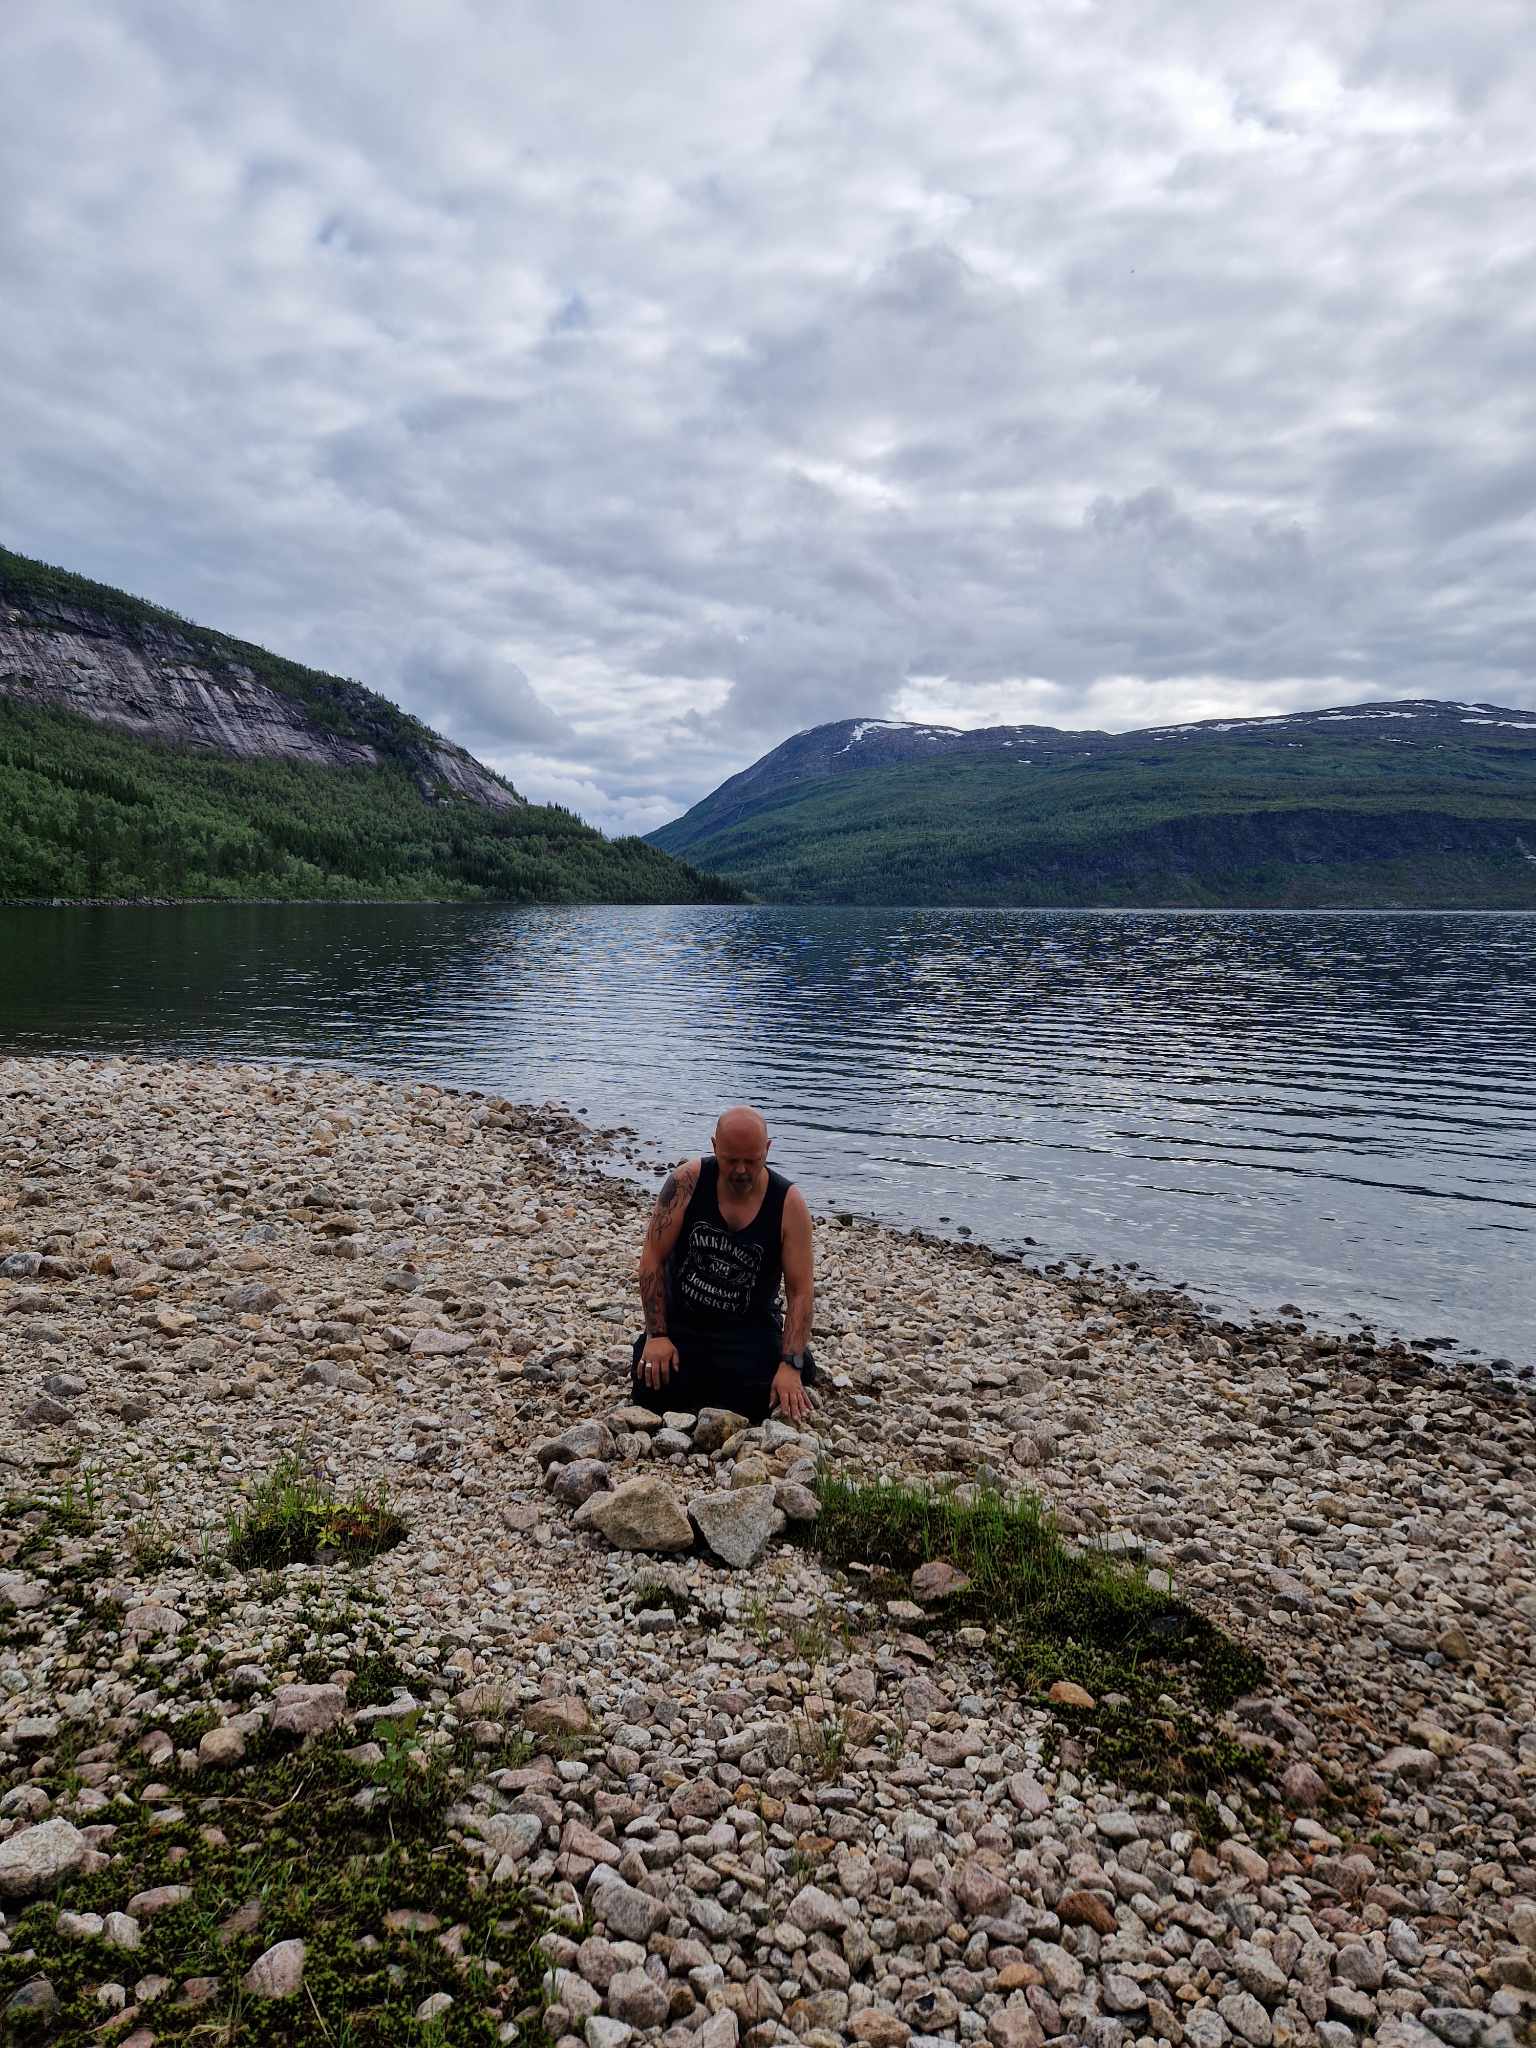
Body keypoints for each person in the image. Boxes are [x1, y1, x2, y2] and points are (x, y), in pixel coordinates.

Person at [632, 1105, 816, 1425]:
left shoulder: (789, 1204)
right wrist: (657, 1335)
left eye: (752, 1160)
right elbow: (652, 1258)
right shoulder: (686, 1182)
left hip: (750, 1329)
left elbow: (800, 1292)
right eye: (731, 1160)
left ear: (768, 1150)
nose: (741, 1170)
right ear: (715, 1146)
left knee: (766, 1399)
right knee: (650, 1388)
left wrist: (790, 1364)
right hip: (684, 1322)